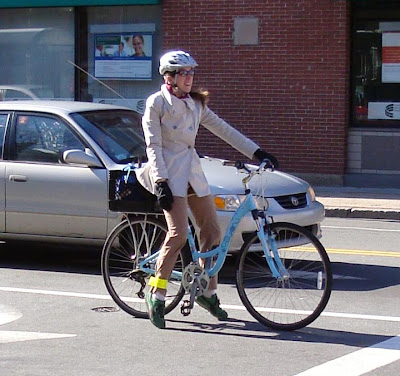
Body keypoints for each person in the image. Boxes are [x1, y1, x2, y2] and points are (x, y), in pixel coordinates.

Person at [137, 50, 279, 329]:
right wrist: (160, 181)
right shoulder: (157, 104)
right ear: (170, 78)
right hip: (167, 176)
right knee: (178, 234)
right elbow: (152, 146)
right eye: (184, 73)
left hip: (191, 175)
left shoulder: (195, 105)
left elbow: (224, 130)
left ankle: (207, 291)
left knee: (212, 231)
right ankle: (157, 293)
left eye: (192, 73)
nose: (190, 78)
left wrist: (257, 151)